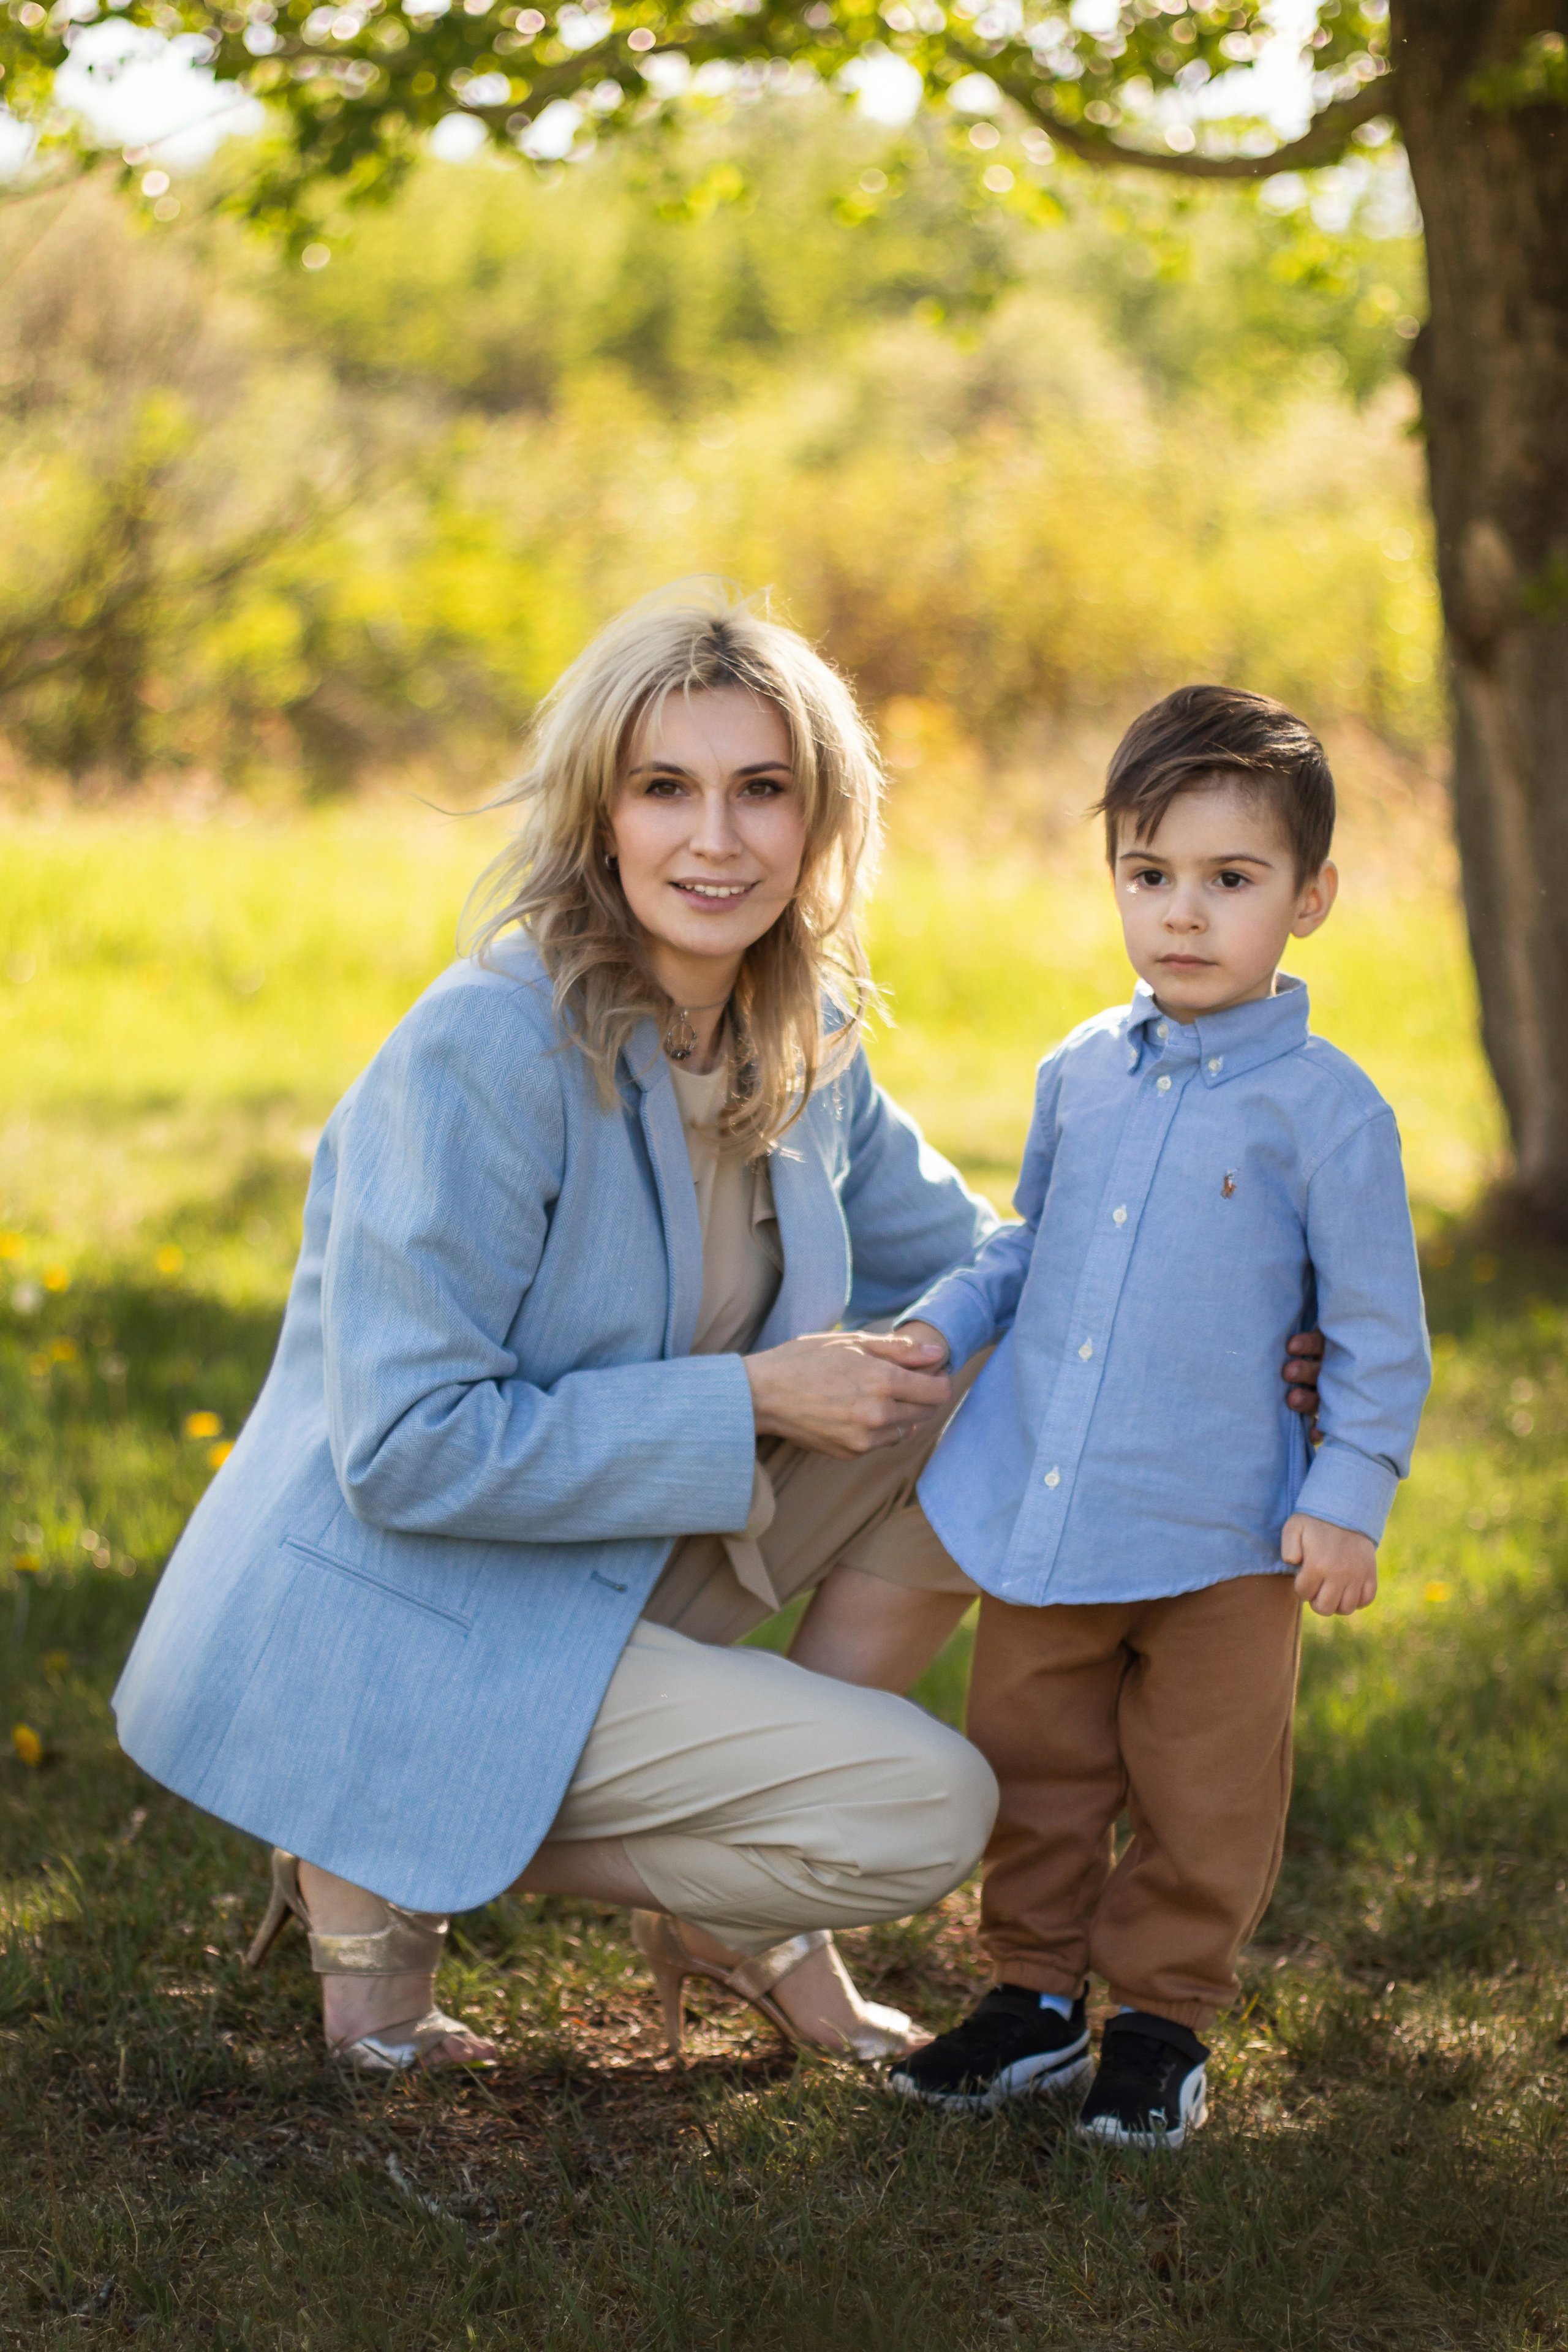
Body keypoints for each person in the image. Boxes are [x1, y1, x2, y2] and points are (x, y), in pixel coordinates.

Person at [113, 582, 1015, 2073]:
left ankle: (724, 1850)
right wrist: (751, 1398)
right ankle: (377, 1829)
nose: (713, 840)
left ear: (817, 825)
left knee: (996, 1375)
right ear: (601, 816)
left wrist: (1226, 1307)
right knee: (920, 1809)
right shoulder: (487, 1044)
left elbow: (987, 1268)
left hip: (584, 1570)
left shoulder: (799, 1041)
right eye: (665, 788)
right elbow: (404, 1451)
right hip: (402, 1609)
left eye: (760, 792)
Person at [887, 684, 1430, 2147]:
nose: (1181, 916)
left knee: (1203, 1792)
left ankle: (1164, 2022)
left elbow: (1377, 1333)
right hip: (1051, 1510)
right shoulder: (1079, 1071)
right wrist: (949, 1322)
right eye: (1149, 876)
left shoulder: (1330, 1114)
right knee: (1034, 1765)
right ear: (1113, 879)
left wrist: (1347, 1490)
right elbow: (1028, 1235)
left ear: (1307, 899)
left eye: (1229, 881)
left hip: (1224, 1531)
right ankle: (1030, 2000)